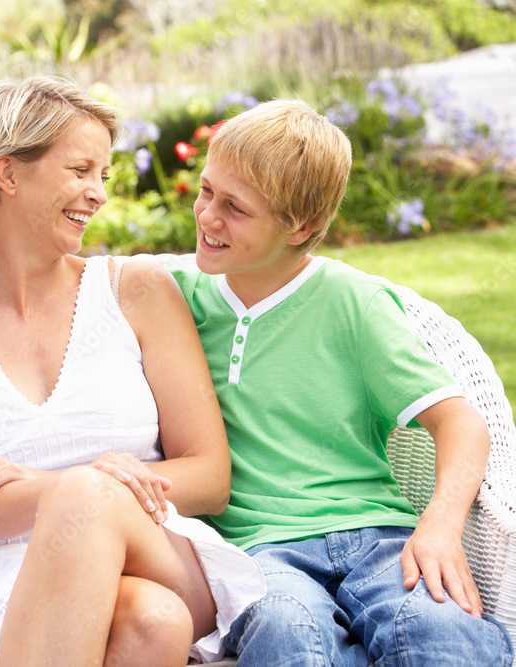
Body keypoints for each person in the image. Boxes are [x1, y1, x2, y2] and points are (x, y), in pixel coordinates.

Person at [0, 75, 265, 667]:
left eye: (102, 176)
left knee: (96, 504)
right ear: (7, 174)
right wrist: (77, 485)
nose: (98, 194)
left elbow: (210, 476)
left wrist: (68, 486)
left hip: (157, 546)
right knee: (151, 622)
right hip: (11, 578)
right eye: (80, 170)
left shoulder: (136, 292)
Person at [170, 99, 513, 664]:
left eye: (235, 207)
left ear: (300, 226)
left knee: (438, 630)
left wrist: (440, 528)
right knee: (286, 632)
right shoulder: (171, 296)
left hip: (379, 537)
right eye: (207, 191)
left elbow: (461, 423)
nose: (207, 216)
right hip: (259, 553)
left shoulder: (354, 302)